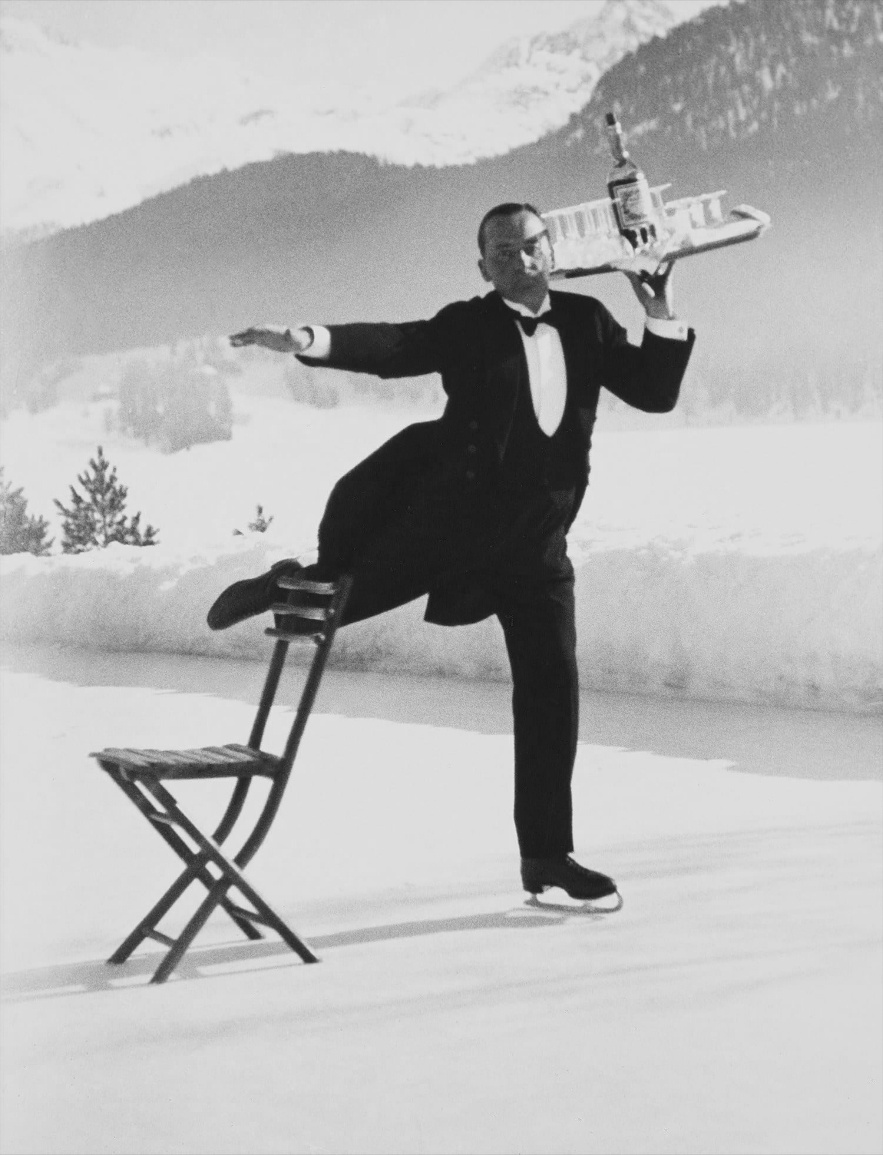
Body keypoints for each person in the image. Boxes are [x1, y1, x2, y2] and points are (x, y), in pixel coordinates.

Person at [208, 202, 694, 901]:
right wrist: (309, 339)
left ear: (550, 247)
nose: (520, 261)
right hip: (450, 527)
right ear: (483, 267)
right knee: (335, 601)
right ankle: (288, 580)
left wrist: (660, 311)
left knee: (551, 689)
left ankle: (547, 856)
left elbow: (654, 393)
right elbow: (396, 345)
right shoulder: (468, 325)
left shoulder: (587, 319)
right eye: (502, 253)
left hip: (537, 544)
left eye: (530, 246)